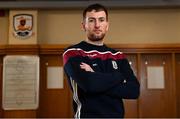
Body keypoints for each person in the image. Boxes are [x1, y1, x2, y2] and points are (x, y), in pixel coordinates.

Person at [63, 3, 140, 118]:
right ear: (83, 25)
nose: (97, 25)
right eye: (91, 20)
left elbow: (133, 91)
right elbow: (90, 85)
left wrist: (95, 76)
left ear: (107, 25)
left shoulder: (118, 56)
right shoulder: (73, 52)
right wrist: (119, 77)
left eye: (101, 20)